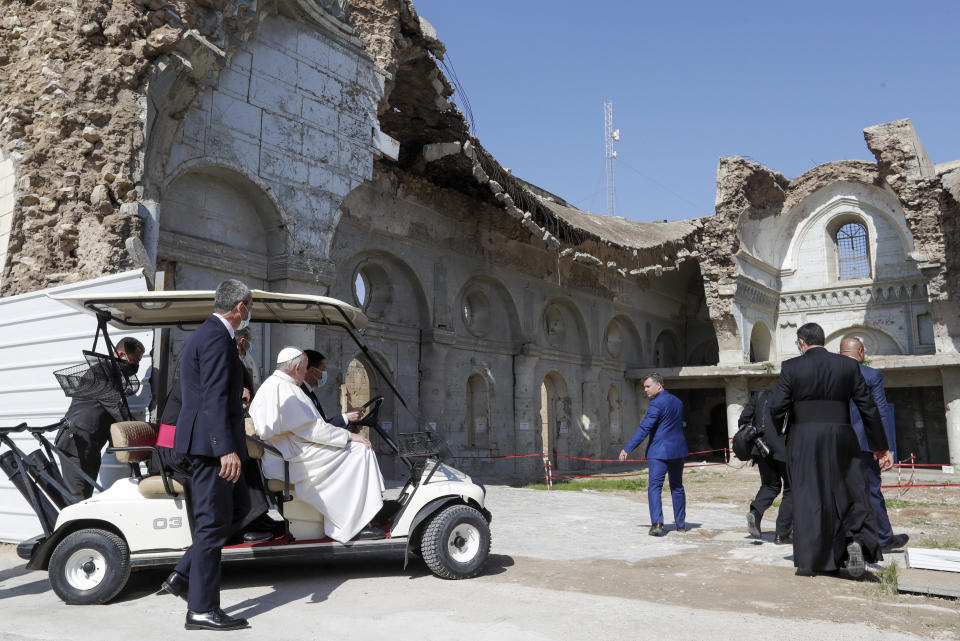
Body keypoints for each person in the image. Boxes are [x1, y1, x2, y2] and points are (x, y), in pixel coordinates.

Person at [161, 279, 253, 631]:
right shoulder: (215, 336)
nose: (250, 313)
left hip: (212, 443)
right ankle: (200, 609)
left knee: (242, 507)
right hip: (210, 447)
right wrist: (225, 449)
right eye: (250, 306)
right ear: (239, 307)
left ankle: (185, 574)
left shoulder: (213, 335)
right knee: (213, 524)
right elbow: (212, 398)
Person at [770, 323, 891, 578]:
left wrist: (779, 435)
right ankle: (854, 540)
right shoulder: (847, 366)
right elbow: (868, 408)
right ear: (823, 340)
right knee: (848, 490)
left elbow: (776, 407)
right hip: (842, 435)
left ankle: (813, 560)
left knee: (809, 495)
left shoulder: (791, 367)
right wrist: (880, 447)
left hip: (804, 438)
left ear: (801, 342)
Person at [249, 347, 385, 543]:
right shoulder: (286, 390)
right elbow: (313, 429)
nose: (306, 373)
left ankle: (364, 512)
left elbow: (307, 428)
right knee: (359, 450)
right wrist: (347, 437)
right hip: (291, 458)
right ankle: (355, 522)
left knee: (356, 451)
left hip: (288, 451)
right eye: (305, 369)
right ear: (296, 367)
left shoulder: (272, 385)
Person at [838, 336, 908, 552]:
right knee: (871, 491)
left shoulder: (830, 373)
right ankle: (884, 538)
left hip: (835, 443)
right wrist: (887, 448)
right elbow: (881, 412)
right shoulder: (871, 375)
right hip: (865, 444)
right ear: (861, 352)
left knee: (838, 490)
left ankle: (843, 538)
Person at [55, 336, 145, 500]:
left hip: (91, 443)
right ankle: (73, 526)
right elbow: (115, 407)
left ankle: (82, 525)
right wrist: (138, 433)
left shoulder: (114, 375)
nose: (135, 366)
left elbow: (106, 411)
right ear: (121, 355)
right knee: (77, 498)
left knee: (85, 497)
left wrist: (113, 437)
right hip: (77, 441)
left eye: (138, 362)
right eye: (134, 361)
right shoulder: (100, 373)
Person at [619, 373, 688, 536]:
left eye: (648, 386)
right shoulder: (678, 402)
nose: (645, 390)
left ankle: (657, 524)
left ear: (659, 385)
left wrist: (628, 448)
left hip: (660, 451)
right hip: (678, 450)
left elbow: (645, 428)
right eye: (644, 387)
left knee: (655, 487)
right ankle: (681, 525)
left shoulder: (656, 403)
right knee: (677, 487)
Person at [739, 389, 793, 544]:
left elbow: (743, 420)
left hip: (760, 447)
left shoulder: (759, 395)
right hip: (784, 448)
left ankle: (755, 513)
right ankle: (781, 534)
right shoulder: (790, 395)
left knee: (770, 485)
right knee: (792, 488)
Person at [300, 349, 362, 429]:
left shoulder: (309, 392)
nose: (325, 374)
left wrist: (350, 426)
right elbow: (316, 429)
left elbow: (325, 423)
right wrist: (346, 417)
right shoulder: (302, 393)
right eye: (323, 370)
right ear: (312, 371)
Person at [235, 327, 257, 409]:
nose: (251, 343)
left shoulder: (248, 357)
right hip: (240, 404)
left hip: (250, 403)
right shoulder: (231, 358)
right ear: (242, 341)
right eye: (249, 340)